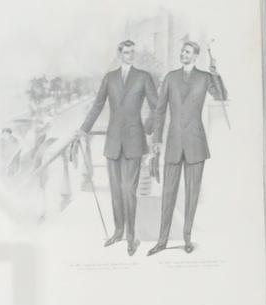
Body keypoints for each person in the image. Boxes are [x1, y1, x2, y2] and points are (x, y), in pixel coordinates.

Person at [72, 39, 158, 255]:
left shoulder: (143, 77)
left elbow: (157, 107)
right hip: (113, 143)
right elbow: (97, 105)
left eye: (132, 52)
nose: (130, 55)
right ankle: (118, 231)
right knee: (116, 191)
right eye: (126, 52)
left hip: (135, 141)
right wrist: (83, 129)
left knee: (129, 190)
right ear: (120, 54)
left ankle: (131, 236)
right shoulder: (109, 78)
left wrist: (147, 128)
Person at [147, 39, 228, 255]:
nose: (183, 53)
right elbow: (159, 110)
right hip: (173, 142)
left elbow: (221, 95)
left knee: (192, 193)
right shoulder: (170, 77)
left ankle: (187, 238)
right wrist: (156, 140)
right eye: (182, 50)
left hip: (196, 143)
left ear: (195, 56)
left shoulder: (204, 77)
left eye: (187, 51)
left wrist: (216, 74)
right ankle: (162, 240)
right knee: (168, 192)